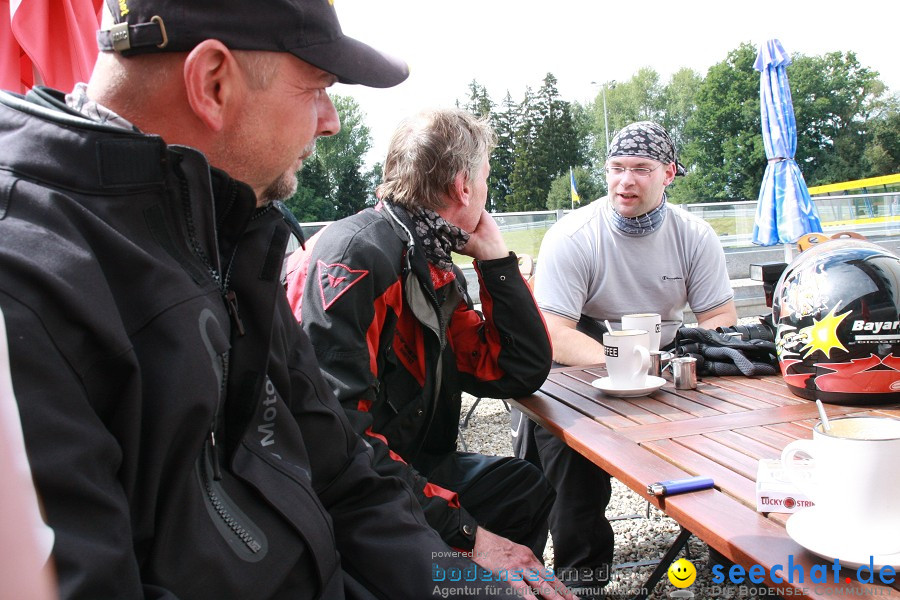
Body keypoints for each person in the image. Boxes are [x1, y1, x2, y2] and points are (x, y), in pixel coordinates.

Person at [0, 1, 531, 597]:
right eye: (317, 88)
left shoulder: (226, 230)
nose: (331, 121)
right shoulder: (25, 283)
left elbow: (342, 471)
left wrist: (467, 586)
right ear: (213, 83)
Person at [286, 108, 566, 594]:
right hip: (345, 494)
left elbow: (511, 368)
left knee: (522, 488)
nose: (485, 191)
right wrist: (468, 536)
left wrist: (497, 263)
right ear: (463, 186)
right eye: (485, 178)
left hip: (403, 469)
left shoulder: (428, 260)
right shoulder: (358, 257)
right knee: (484, 579)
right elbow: (334, 441)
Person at [511, 121, 737, 595]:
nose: (625, 181)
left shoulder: (694, 235)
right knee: (568, 458)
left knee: (727, 441)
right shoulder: (574, 235)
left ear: (668, 174)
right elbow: (554, 332)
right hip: (580, 350)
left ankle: (733, 557)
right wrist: (630, 366)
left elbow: (720, 321)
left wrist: (671, 369)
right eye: (616, 169)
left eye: (640, 169)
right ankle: (583, 579)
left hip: (668, 347)